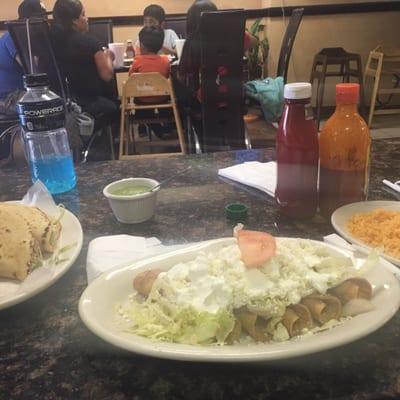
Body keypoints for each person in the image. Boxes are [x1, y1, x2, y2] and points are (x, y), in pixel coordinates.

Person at [51, 0, 119, 131]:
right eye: (83, 14)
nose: (86, 19)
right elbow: (107, 75)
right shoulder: (90, 43)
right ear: (74, 20)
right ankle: (90, 138)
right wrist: (109, 56)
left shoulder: (47, 42)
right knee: (115, 108)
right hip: (86, 102)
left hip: (56, 103)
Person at [0, 0, 47, 115]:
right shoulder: (13, 37)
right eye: (42, 17)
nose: (45, 21)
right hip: (8, 96)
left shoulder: (25, 37)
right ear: (29, 20)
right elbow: (31, 67)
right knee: (47, 109)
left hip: (22, 93)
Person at [129, 26, 173, 139]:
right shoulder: (165, 60)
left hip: (142, 101)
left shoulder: (137, 61)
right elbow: (166, 76)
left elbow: (131, 79)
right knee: (168, 104)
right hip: (162, 99)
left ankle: (156, 129)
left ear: (142, 45)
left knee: (140, 105)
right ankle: (167, 129)